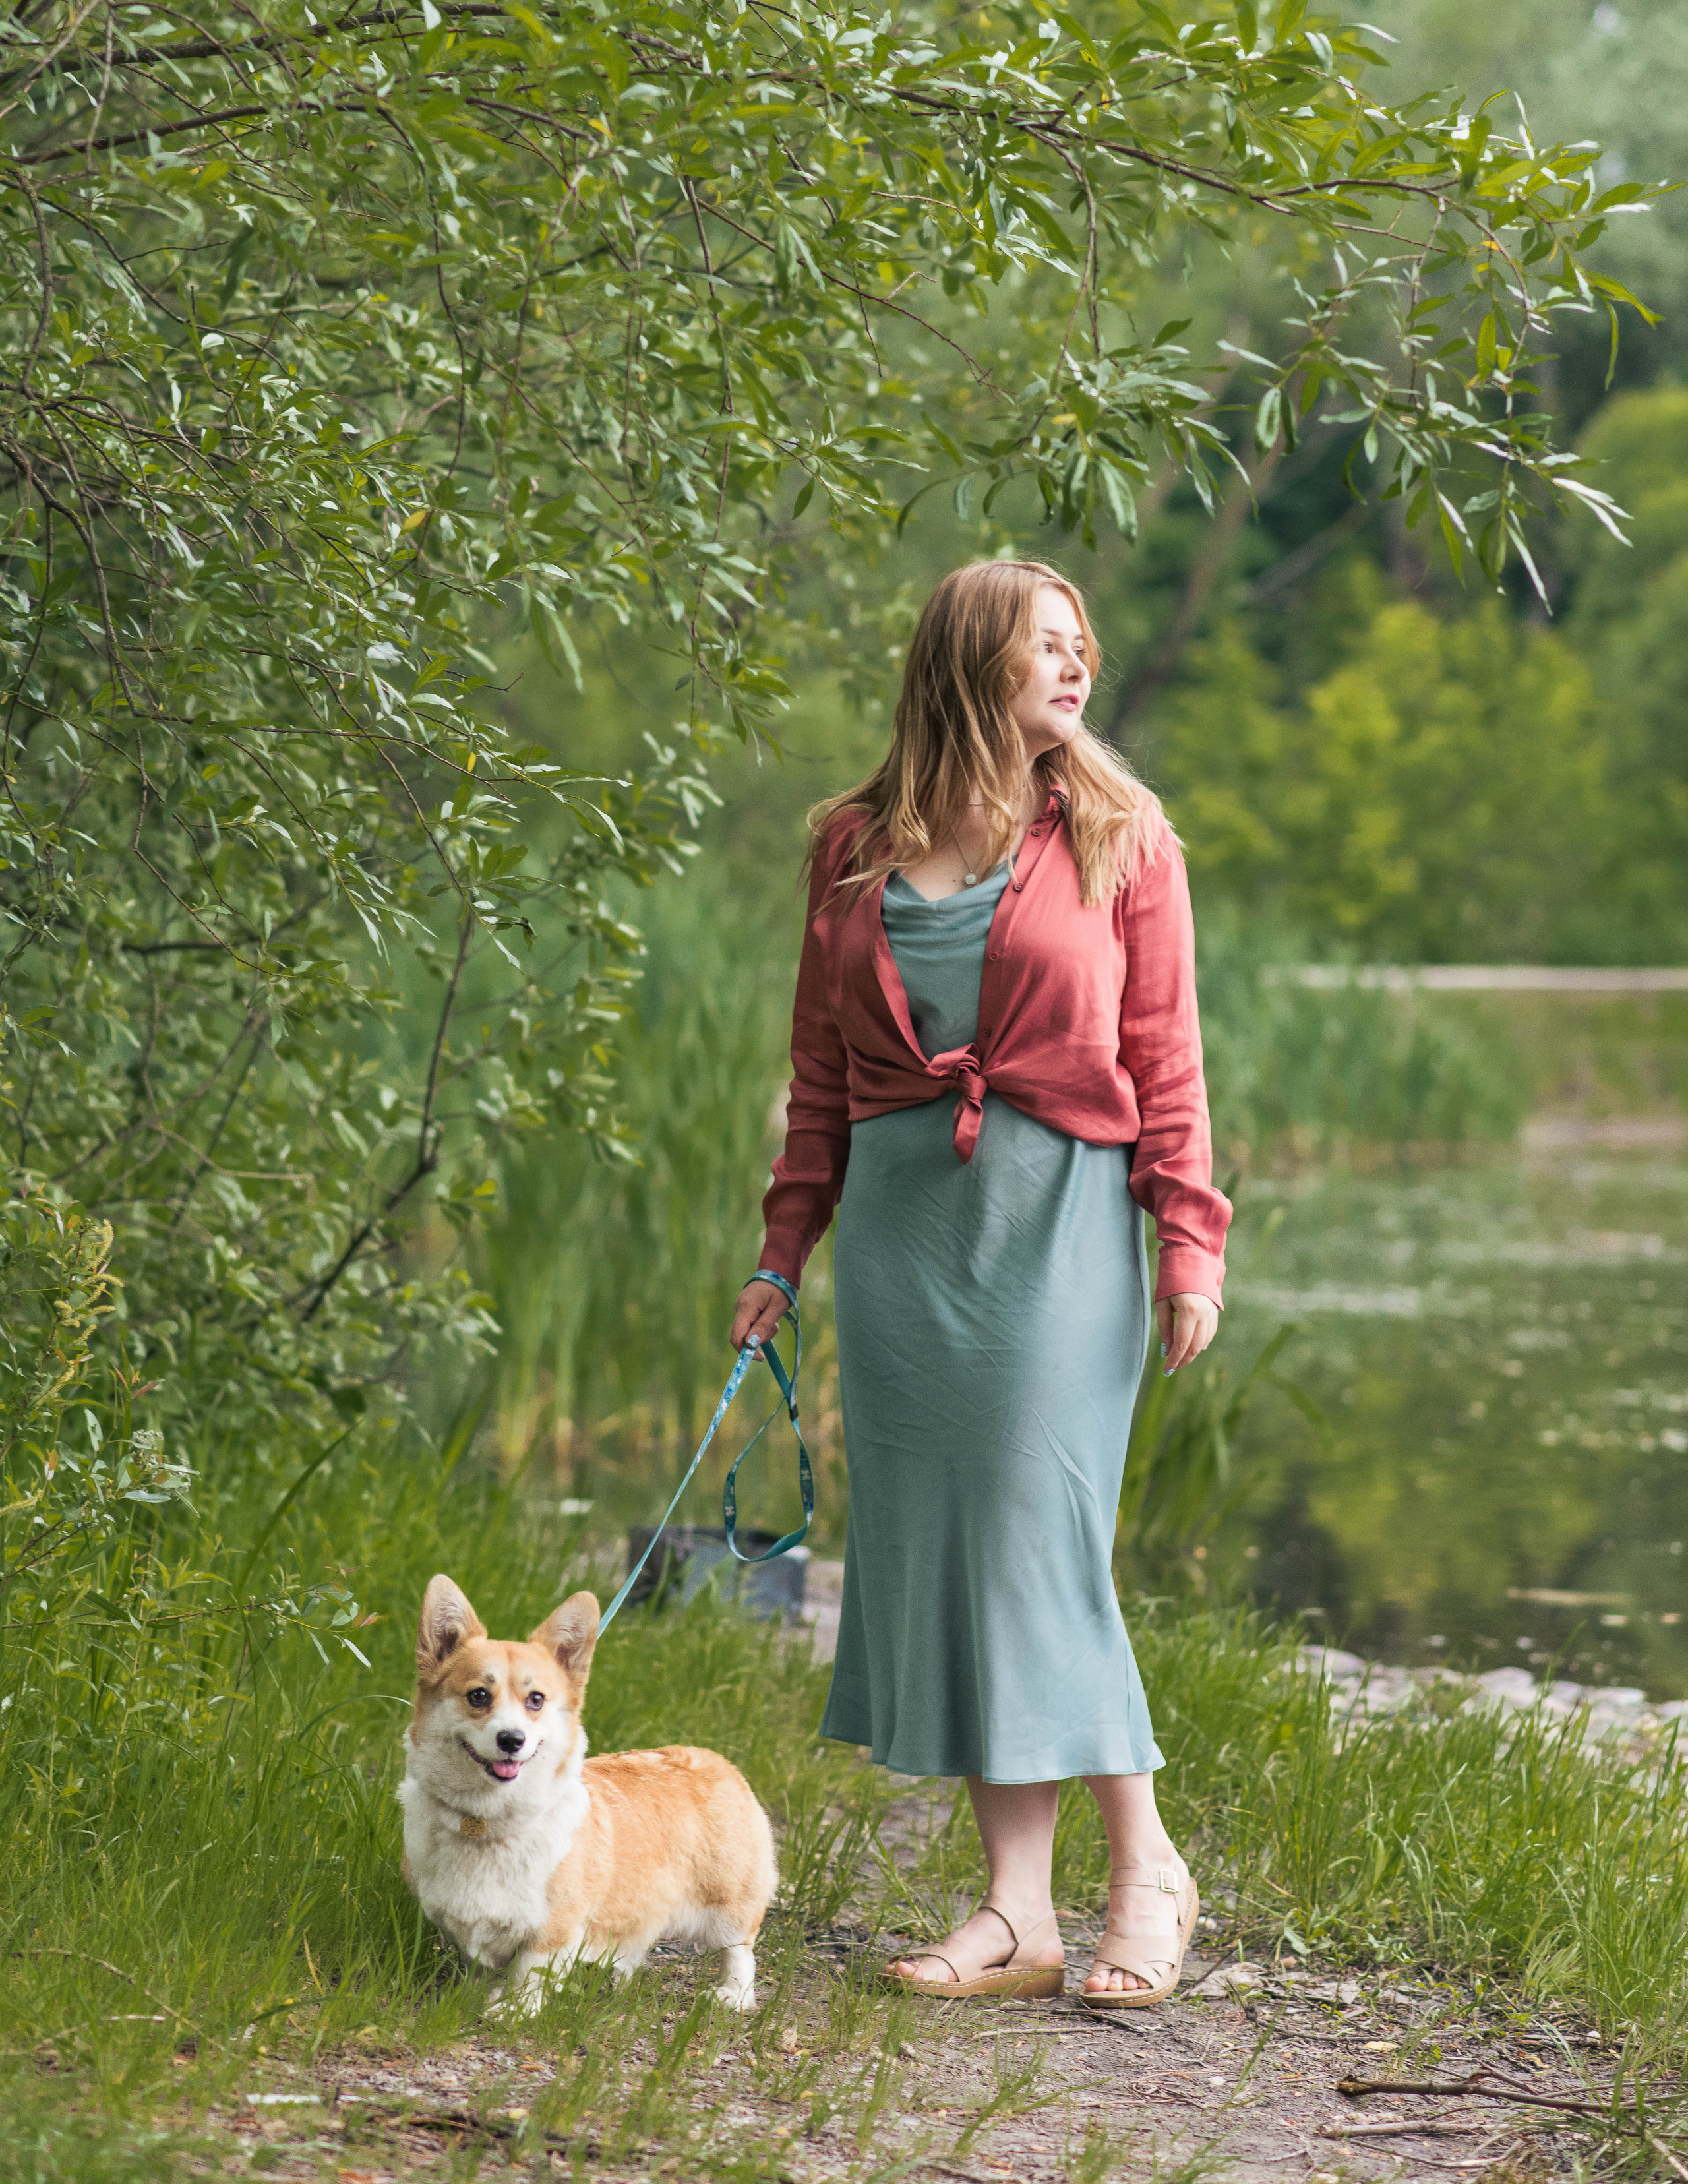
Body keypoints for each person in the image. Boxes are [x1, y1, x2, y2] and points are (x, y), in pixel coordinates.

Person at [729, 560, 1230, 2005]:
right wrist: (783, 1253)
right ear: (967, 664)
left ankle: (1146, 1871)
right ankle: (1019, 1914)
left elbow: (1167, 1061)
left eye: (1081, 649)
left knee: (1037, 1539)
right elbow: (817, 1078)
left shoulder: (1120, 834)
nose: (1073, 673)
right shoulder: (847, 845)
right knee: (955, 1557)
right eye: (1043, 651)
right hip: (901, 1248)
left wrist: (1185, 1241)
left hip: (1060, 1226)